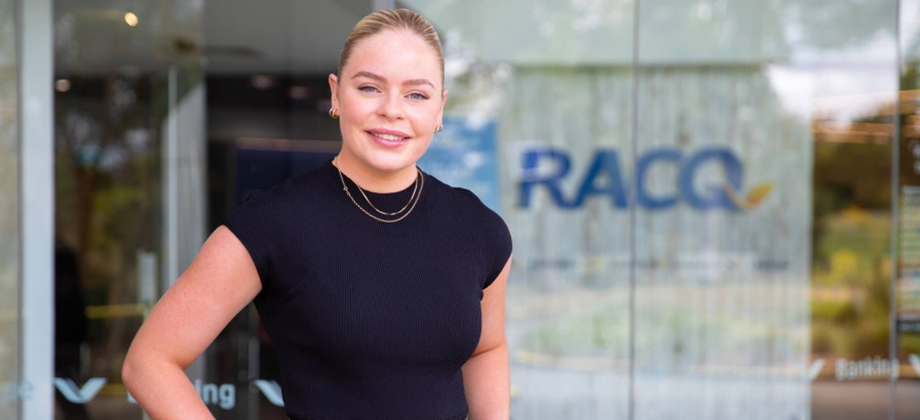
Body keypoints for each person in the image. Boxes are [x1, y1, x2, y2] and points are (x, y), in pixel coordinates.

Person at [122, 8, 513, 420]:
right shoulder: (273, 223)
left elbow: (487, 346)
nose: (393, 110)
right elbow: (149, 362)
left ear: (439, 109)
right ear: (336, 93)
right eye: (369, 88)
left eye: (416, 94)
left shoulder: (478, 228)